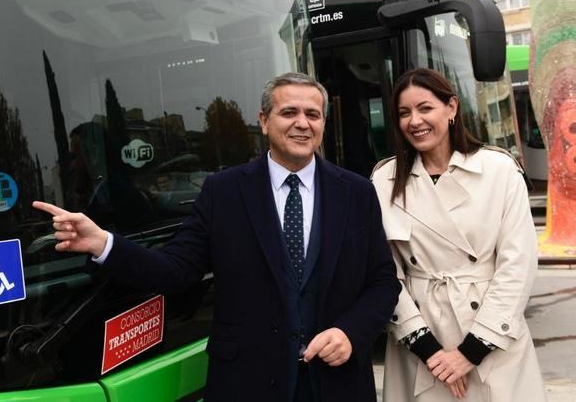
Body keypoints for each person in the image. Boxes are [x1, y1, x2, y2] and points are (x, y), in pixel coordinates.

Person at [34, 72, 400, 402]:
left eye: (313, 115)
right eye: (289, 113)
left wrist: (351, 332)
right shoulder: (223, 192)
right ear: (264, 121)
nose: (302, 123)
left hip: (337, 384)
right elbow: (177, 269)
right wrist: (104, 244)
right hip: (248, 383)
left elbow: (383, 281)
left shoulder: (355, 191)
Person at [371, 68, 547, 401]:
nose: (415, 121)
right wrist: (427, 348)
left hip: (492, 335)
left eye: (425, 108)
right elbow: (384, 271)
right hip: (420, 342)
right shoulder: (384, 179)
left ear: (451, 108)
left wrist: (471, 351)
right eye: (404, 113)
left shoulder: (498, 169)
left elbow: (518, 264)